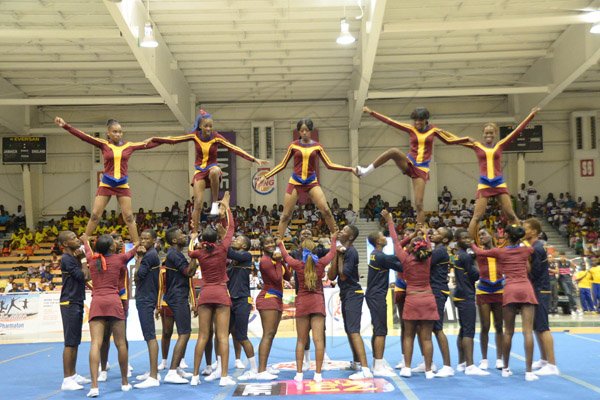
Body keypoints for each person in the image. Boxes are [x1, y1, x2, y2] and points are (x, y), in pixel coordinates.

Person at [150, 110, 266, 231]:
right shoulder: (194, 135)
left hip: (212, 169)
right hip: (199, 172)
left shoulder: (216, 137)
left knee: (215, 171)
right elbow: (173, 139)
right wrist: (155, 139)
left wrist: (253, 159)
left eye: (211, 126)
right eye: (206, 126)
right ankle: (194, 233)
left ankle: (215, 203)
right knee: (198, 204)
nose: (209, 128)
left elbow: (234, 148)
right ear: (200, 126)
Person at [356, 107, 471, 223]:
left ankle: (420, 232)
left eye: (420, 120)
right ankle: (365, 171)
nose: (417, 123)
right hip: (409, 163)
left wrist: (467, 140)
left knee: (419, 204)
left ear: (426, 120)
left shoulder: (434, 130)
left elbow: (449, 140)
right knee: (393, 151)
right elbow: (390, 121)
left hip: (421, 169)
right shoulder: (411, 129)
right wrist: (372, 113)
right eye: (415, 120)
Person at [54, 117, 159, 243]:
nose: (118, 134)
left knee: (129, 217)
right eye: (115, 131)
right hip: (107, 184)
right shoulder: (104, 144)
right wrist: (66, 126)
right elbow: (83, 136)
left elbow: (148, 145)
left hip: (122, 185)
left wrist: (158, 139)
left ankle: (137, 244)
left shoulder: (129, 146)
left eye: (120, 131)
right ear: (108, 133)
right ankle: (85, 239)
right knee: (94, 215)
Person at [258, 118, 354, 238]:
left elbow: (329, 164)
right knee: (286, 215)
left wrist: (350, 169)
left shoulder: (317, 146)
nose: (304, 133)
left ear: (311, 131)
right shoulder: (293, 145)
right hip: (295, 182)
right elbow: (282, 164)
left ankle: (336, 237)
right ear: (298, 131)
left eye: (307, 130)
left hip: (311, 182)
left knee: (326, 210)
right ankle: (278, 244)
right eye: (301, 130)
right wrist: (266, 176)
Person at [460, 108, 540, 240]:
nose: (488, 135)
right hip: (484, 183)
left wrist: (531, 115)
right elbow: (456, 141)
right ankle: (470, 244)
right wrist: (464, 138)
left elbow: (517, 131)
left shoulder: (500, 145)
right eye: (486, 133)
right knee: (477, 216)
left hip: (498, 182)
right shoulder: (477, 145)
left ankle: (519, 241)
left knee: (511, 214)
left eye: (491, 133)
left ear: (495, 133)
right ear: (483, 134)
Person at [471, 224, 538, 381]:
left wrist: (471, 243)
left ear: (507, 236)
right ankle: (529, 372)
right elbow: (531, 247)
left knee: (508, 331)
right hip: (526, 288)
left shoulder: (500, 251)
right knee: (528, 332)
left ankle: (506, 368)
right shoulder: (525, 250)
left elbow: (479, 252)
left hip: (510, 290)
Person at [82, 233, 138, 397]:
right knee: (121, 343)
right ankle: (124, 382)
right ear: (112, 247)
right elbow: (133, 251)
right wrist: (137, 242)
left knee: (95, 344)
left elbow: (86, 248)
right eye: (114, 242)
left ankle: (94, 386)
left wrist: (85, 239)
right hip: (114, 302)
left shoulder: (92, 259)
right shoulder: (119, 259)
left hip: (97, 303)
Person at [188, 199, 237, 387]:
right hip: (221, 293)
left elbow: (191, 250)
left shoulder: (199, 253)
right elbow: (231, 227)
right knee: (222, 336)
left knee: (202, 336)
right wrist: (228, 210)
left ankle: (194, 376)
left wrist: (194, 236)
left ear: (203, 240)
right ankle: (224, 376)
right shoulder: (223, 248)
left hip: (206, 293)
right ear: (216, 239)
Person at [277, 233, 338, 382]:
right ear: (314, 249)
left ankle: (299, 374)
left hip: (302, 302)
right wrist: (334, 239)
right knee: (319, 341)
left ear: (301, 250)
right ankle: (318, 374)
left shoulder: (298, 265)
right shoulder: (321, 263)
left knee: (300, 340)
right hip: (317, 302)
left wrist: (280, 244)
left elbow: (285, 257)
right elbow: (332, 252)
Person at [385, 219, 438, 379]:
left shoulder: (405, 259)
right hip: (428, 298)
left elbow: (395, 241)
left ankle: (407, 368)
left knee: (409, 335)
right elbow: (428, 244)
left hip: (412, 300)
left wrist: (390, 221)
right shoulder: (428, 258)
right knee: (427, 337)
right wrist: (424, 232)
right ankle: (429, 370)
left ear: (411, 247)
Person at [327, 225, 373, 380]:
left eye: (345, 230)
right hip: (346, 293)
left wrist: (339, 256)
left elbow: (343, 276)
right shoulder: (344, 252)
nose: (341, 231)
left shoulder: (351, 252)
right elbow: (331, 276)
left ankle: (365, 369)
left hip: (354, 293)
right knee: (349, 330)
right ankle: (357, 362)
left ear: (351, 237)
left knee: (354, 330)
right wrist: (335, 254)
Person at [365, 215, 404, 377]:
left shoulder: (376, 254)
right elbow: (401, 265)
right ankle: (378, 366)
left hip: (374, 294)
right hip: (377, 296)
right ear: (378, 241)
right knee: (381, 330)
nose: (385, 238)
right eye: (383, 236)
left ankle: (377, 363)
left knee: (378, 329)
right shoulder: (381, 256)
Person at [523, 218, 560, 376]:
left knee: (543, 326)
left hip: (541, 289)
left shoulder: (537, 248)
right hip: (536, 288)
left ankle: (552, 365)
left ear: (533, 231)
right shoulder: (533, 246)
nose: (523, 231)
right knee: (537, 326)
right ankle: (544, 359)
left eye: (525, 228)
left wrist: (524, 263)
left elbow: (535, 272)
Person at [161, 227, 198, 384]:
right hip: (177, 297)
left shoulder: (174, 254)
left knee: (183, 332)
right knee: (184, 333)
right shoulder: (174, 254)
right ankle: (171, 371)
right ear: (174, 240)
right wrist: (195, 254)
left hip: (176, 295)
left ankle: (176, 368)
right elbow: (189, 272)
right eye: (182, 235)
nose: (185, 236)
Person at [255, 235, 292, 380]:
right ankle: (261, 370)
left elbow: (287, 277)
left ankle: (264, 367)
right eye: (267, 243)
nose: (270, 244)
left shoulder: (274, 260)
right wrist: (278, 261)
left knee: (271, 334)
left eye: (272, 242)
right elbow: (277, 279)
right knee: (268, 334)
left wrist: (281, 261)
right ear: (262, 247)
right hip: (268, 298)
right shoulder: (265, 261)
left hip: (276, 298)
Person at [453, 229, 489, 376]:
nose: (468, 240)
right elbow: (475, 276)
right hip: (466, 294)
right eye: (464, 238)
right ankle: (470, 365)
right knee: (468, 330)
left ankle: (461, 363)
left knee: (463, 329)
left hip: (459, 294)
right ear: (457, 240)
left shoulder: (457, 255)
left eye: (469, 237)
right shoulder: (466, 257)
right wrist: (476, 263)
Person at [58, 231, 91, 391]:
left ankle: (73, 374)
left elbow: (87, 275)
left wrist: (81, 260)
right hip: (69, 302)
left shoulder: (72, 258)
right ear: (65, 244)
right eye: (72, 238)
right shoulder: (67, 259)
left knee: (75, 341)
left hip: (76, 301)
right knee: (70, 342)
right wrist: (83, 259)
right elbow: (84, 276)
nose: (76, 239)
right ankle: (67, 379)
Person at [420, 227, 454, 377]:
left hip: (437, 291)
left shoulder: (440, 251)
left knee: (437, 328)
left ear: (445, 240)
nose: (435, 233)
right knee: (430, 329)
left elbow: (425, 263)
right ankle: (429, 362)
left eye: (438, 233)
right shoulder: (438, 249)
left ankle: (447, 365)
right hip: (434, 290)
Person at [226, 234, 258, 381]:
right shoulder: (232, 261)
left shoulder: (246, 256)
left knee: (242, 336)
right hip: (229, 299)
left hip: (242, 300)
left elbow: (227, 251)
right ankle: (219, 365)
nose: (234, 240)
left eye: (237, 239)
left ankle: (254, 368)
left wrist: (223, 236)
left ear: (244, 246)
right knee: (223, 335)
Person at [132, 229, 162, 388]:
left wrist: (140, 258)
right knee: (148, 335)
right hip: (147, 296)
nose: (143, 241)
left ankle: (154, 376)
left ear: (154, 240)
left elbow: (137, 276)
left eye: (147, 238)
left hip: (146, 298)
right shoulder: (152, 254)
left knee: (150, 336)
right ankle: (152, 371)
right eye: (141, 238)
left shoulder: (149, 255)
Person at [474, 229, 504, 370]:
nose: (481, 237)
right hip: (484, 290)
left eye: (483, 234)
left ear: (491, 236)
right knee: (485, 326)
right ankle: (484, 359)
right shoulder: (478, 251)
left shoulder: (499, 250)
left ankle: (499, 358)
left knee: (499, 326)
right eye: (479, 235)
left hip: (499, 290)